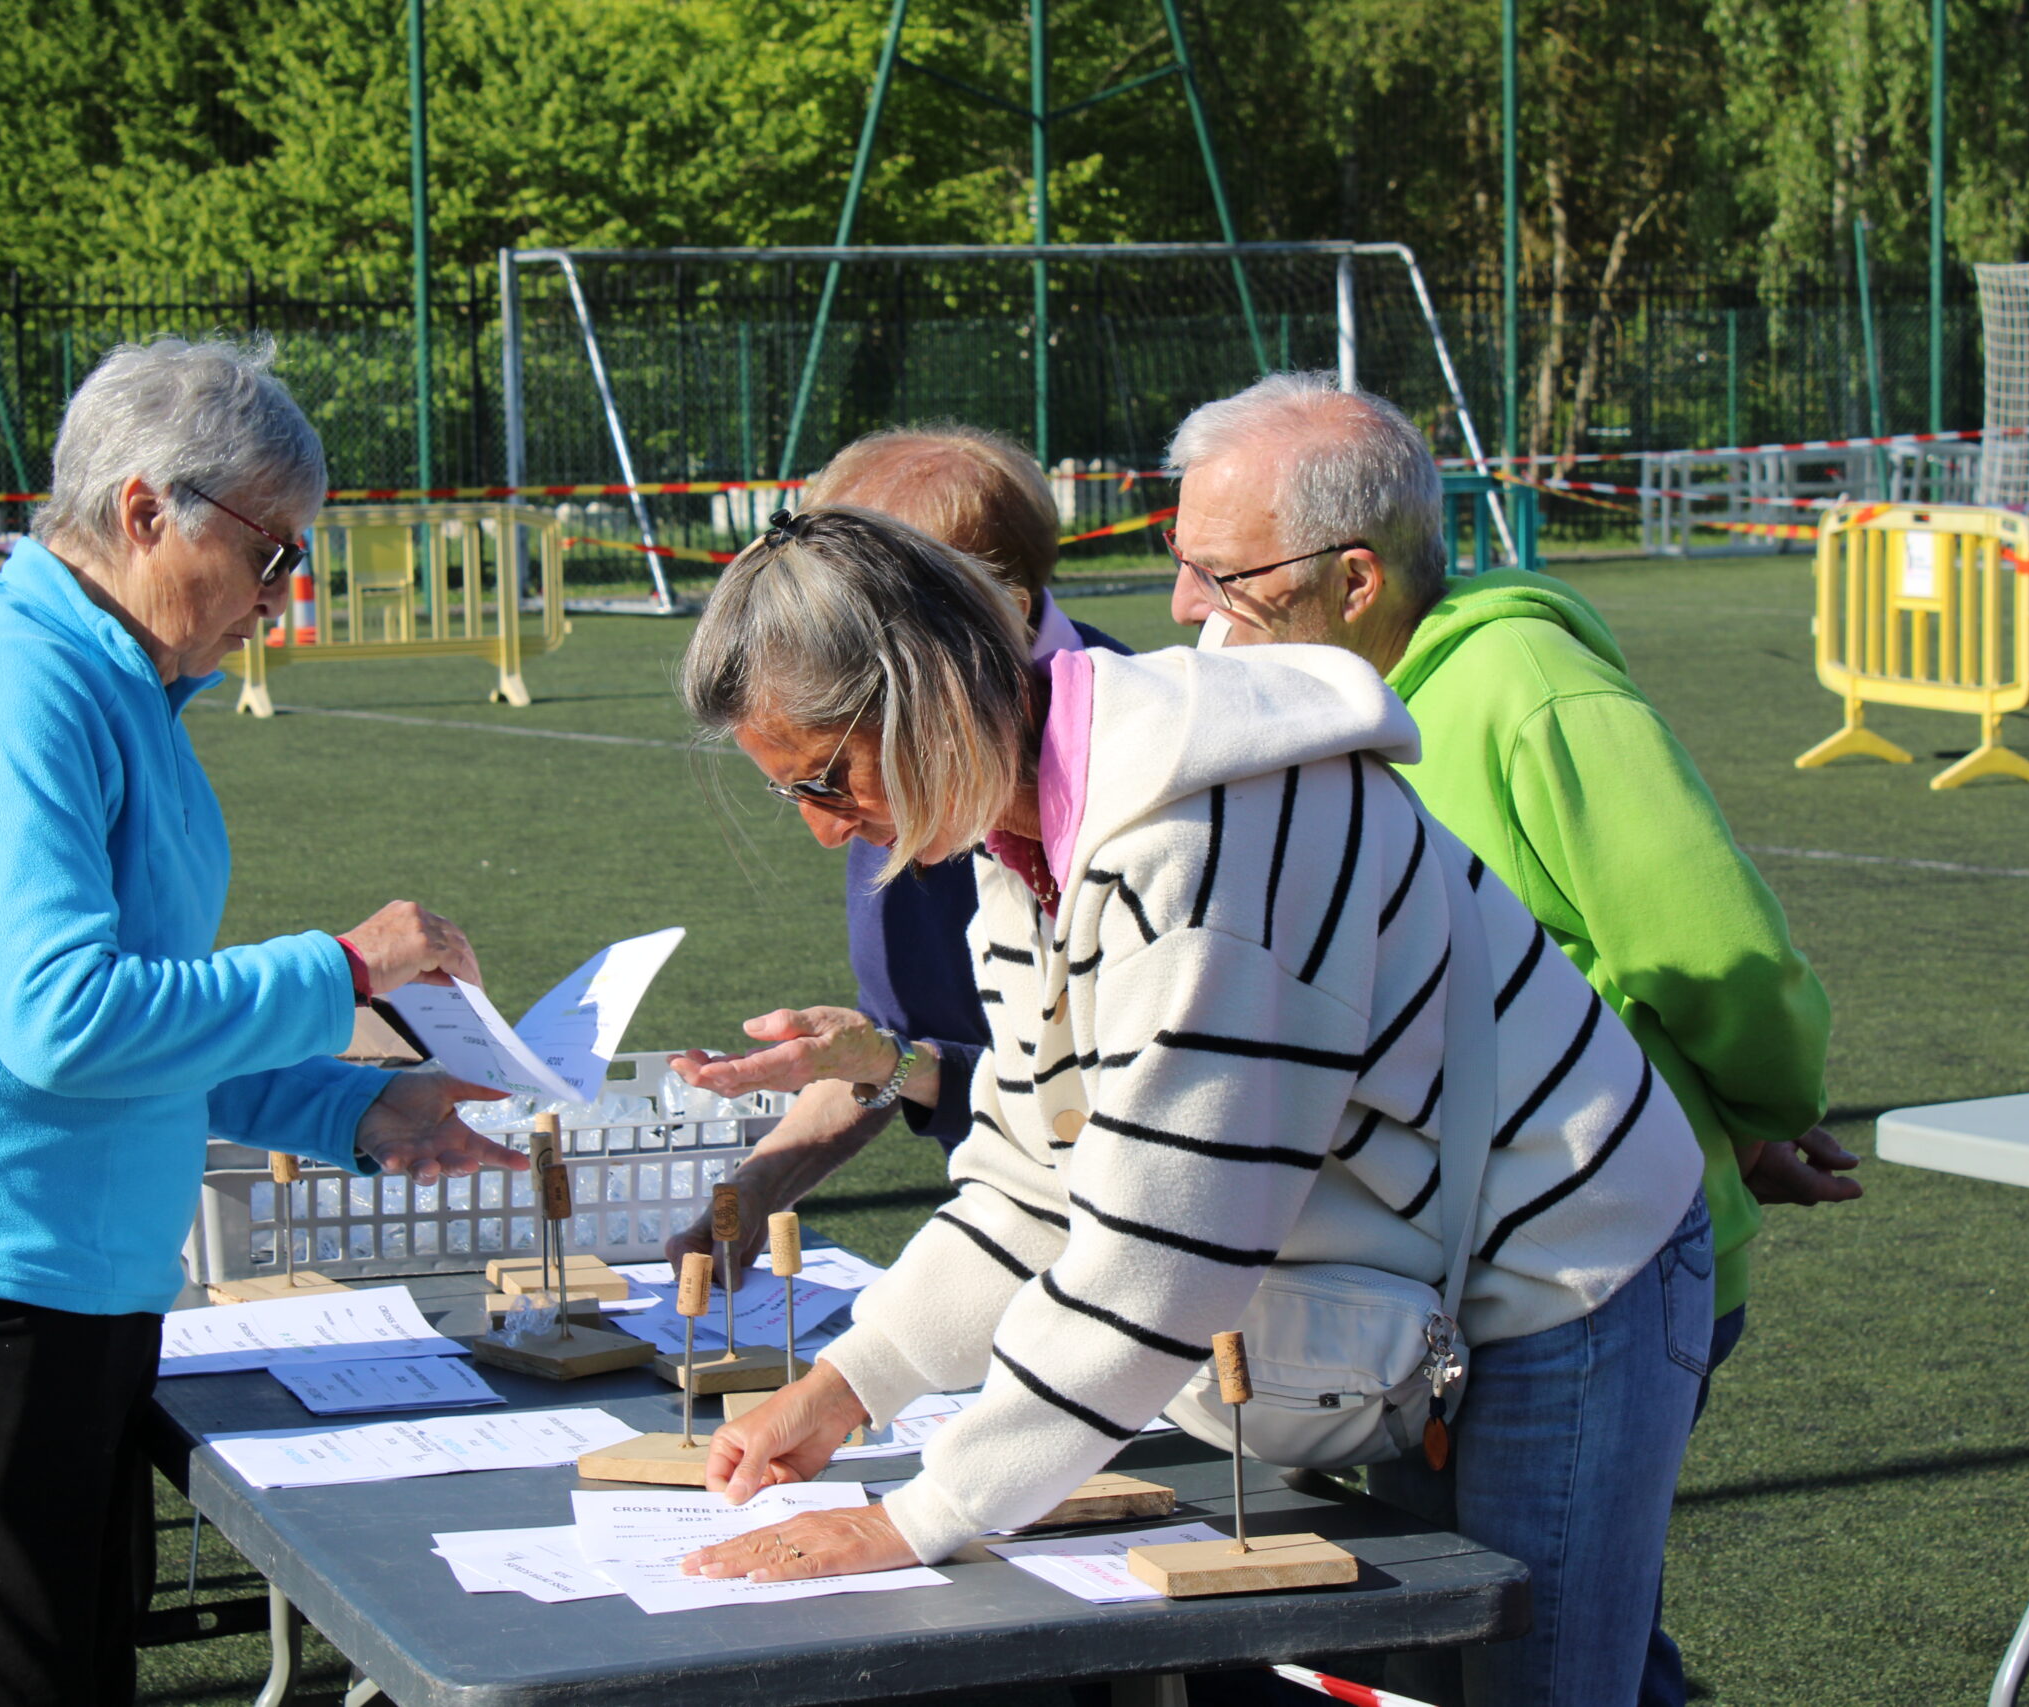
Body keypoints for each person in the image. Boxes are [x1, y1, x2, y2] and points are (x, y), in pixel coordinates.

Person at [670, 507, 1713, 1707]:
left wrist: (923, 1515)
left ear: (924, 703)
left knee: (1533, 1685)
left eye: (824, 778)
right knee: (1437, 1677)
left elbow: (1163, 1251)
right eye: (787, 795)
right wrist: (849, 1385)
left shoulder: (1193, 839)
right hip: (1430, 1258)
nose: (821, 828)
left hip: (1564, 1261)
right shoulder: (1027, 837)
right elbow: (1029, 1176)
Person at [0, 338, 526, 1707]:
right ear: (144, 511)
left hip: (55, 1278)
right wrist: (344, 967)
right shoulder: (16, 679)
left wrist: (355, 1105)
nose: (280, 593)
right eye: (270, 550)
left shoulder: (107, 680)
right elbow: (61, 1021)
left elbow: (139, 1026)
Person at [1161, 372, 1853, 1706]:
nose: (1188, 606)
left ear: (1354, 580)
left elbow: (1715, 952)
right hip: (1407, 1285)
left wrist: (1758, 1113)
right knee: (1521, 1636)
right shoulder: (1288, 699)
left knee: (1543, 1644)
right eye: (1181, 562)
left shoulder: (1525, 686)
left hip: (1587, 1269)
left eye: (1222, 573)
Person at [665, 425, 1126, 1276]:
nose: (827, 826)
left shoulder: (1133, 785)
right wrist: (763, 1182)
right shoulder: (879, 756)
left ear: (978, 611)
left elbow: (1129, 1148)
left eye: (842, 598)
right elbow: (916, 1050)